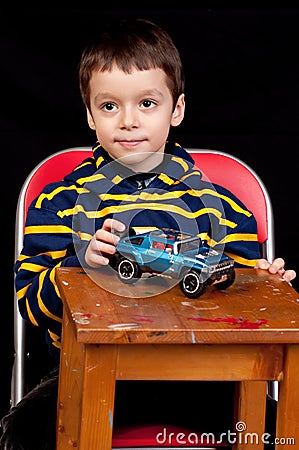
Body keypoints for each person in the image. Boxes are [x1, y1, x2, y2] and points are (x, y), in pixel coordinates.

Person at [0, 17, 296, 450]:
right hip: (86, 369)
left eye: (147, 103)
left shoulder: (223, 205)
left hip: (200, 374)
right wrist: (76, 265)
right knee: (25, 431)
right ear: (89, 115)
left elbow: (238, 291)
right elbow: (31, 304)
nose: (128, 122)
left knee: (274, 430)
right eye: (109, 106)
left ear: (176, 109)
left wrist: (263, 283)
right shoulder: (60, 202)